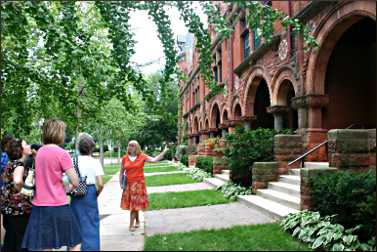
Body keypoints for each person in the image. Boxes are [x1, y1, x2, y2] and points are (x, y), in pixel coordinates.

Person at [22, 119, 81, 251]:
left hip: (40, 206)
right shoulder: (62, 153)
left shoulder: (39, 153)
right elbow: (75, 181)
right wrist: (69, 186)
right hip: (58, 205)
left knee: (46, 244)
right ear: (59, 133)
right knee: (74, 241)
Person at [120, 140, 168, 231]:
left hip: (139, 184)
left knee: (134, 204)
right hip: (129, 184)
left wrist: (164, 151)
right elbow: (121, 172)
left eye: (132, 145)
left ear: (137, 147)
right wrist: (121, 183)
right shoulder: (125, 158)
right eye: (129, 145)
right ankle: (137, 220)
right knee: (134, 203)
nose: (130, 147)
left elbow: (154, 160)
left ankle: (131, 225)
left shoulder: (142, 156)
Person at [71, 133, 104, 251]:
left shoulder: (72, 160)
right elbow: (100, 183)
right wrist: (96, 194)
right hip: (90, 193)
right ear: (91, 147)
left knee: (76, 224)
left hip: (77, 192)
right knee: (91, 224)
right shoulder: (95, 162)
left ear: (79, 147)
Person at [0, 139, 33, 252]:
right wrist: (25, 191)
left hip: (9, 208)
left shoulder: (11, 163)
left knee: (10, 241)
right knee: (21, 242)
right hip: (19, 210)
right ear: (21, 150)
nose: (29, 146)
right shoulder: (19, 165)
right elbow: (18, 181)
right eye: (26, 144)